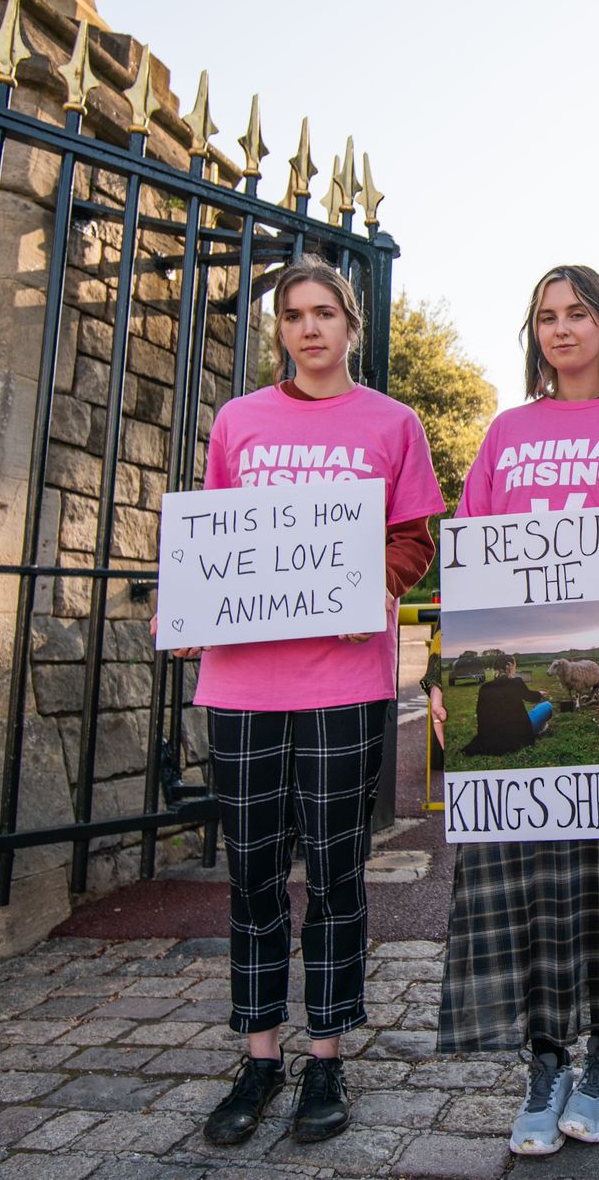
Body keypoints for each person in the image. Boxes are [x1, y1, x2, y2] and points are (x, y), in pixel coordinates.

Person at [170, 255, 445, 1148]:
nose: (310, 329)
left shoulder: (393, 422)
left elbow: (415, 538)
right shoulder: (238, 421)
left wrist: (378, 587)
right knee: (250, 873)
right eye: (294, 316)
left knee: (332, 874)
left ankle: (325, 1056)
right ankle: (258, 1056)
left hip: (343, 681)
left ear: (351, 324)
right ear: (279, 330)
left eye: (325, 313)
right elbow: (216, 536)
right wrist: (187, 601)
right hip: (244, 681)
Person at [432, 265, 599, 1157]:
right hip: (530, 665)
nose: (561, 329)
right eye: (545, 317)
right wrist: (440, 674)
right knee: (528, 883)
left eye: (577, 313)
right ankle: (544, 1061)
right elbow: (468, 566)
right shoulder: (505, 433)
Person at [462, 656, 552, 757]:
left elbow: (480, 714)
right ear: (509, 666)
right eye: (514, 666)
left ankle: (541, 727)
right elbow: (531, 697)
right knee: (547, 706)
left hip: (489, 738)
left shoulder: (484, 688)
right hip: (517, 736)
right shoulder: (516, 682)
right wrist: (540, 694)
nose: (515, 669)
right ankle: (541, 728)